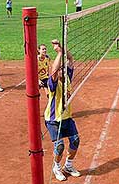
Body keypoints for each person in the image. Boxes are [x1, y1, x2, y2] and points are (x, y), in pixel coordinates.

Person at [45, 39, 81, 181]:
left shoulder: (67, 77)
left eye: (61, 69)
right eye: (59, 69)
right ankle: (56, 167)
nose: (60, 70)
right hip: (53, 120)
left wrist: (63, 48)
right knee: (59, 146)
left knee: (75, 141)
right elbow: (54, 71)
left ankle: (68, 165)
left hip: (67, 117)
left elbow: (71, 59)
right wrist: (59, 53)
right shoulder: (51, 82)